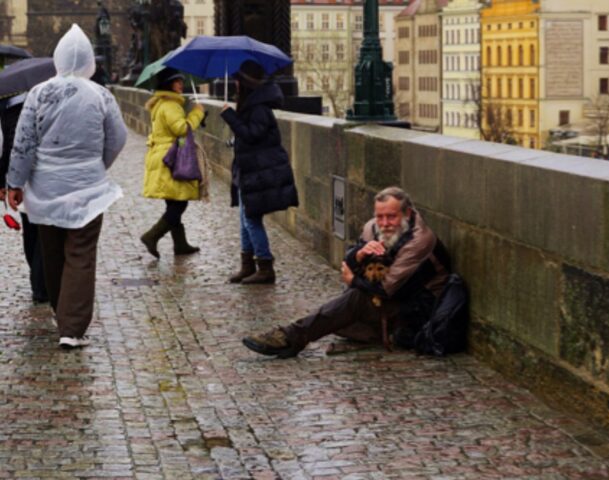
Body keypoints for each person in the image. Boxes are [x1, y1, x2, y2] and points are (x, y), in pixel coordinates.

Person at [7, 24, 127, 349]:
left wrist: (14, 182)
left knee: (52, 252)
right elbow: (118, 138)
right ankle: (71, 328)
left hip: (45, 187)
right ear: (90, 61)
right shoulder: (100, 94)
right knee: (81, 254)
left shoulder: (38, 93)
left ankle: (61, 313)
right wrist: (97, 164)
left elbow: (24, 142)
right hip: (86, 187)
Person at [242, 186, 451, 358]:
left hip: (419, 308)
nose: (385, 224)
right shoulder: (373, 227)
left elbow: (385, 289)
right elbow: (349, 260)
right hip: (390, 297)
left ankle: (292, 337)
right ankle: (375, 331)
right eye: (380, 217)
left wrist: (353, 279)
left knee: (354, 300)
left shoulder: (420, 240)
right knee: (338, 315)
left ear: (406, 214)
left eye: (391, 217)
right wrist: (358, 255)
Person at [220, 60, 298, 284]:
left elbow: (253, 135)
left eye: (237, 80)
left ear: (245, 84)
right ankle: (247, 264)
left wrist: (231, 118)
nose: (234, 84)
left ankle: (265, 265)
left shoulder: (259, 108)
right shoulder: (251, 106)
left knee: (251, 218)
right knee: (245, 217)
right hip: (249, 170)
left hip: (259, 171)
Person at [139, 67, 205, 258]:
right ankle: (152, 236)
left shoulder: (161, 103)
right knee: (179, 204)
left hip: (162, 155)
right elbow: (182, 129)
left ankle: (180, 244)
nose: (181, 84)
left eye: (181, 81)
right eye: (177, 81)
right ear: (168, 84)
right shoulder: (170, 105)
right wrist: (197, 114)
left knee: (173, 202)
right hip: (171, 159)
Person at [1, 91, 48, 303]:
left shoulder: (9, 110)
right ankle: (41, 285)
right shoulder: (48, 106)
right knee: (44, 235)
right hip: (44, 177)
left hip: (22, 180)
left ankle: (37, 280)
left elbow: (8, 148)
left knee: (30, 231)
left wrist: (9, 183)